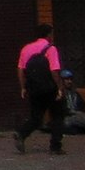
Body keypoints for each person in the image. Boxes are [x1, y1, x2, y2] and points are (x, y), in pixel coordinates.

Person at [14, 22, 66, 154]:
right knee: (58, 116)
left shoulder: (26, 49)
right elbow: (54, 70)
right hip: (50, 89)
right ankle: (55, 146)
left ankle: (21, 133)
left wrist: (23, 87)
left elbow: (20, 70)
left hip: (34, 89)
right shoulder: (51, 49)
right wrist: (59, 88)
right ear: (49, 35)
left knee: (36, 117)